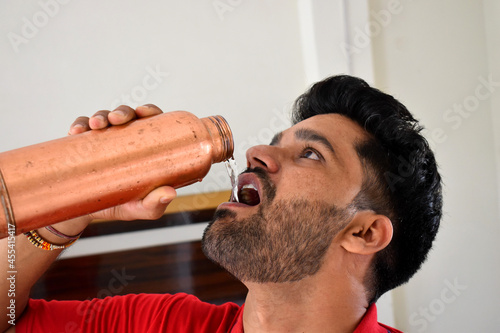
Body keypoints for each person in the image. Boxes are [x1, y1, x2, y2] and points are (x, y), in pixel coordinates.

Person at [1, 75, 442, 332]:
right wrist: (70, 210)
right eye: (273, 143)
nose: (256, 153)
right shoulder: (159, 322)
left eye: (310, 154)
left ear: (364, 233)